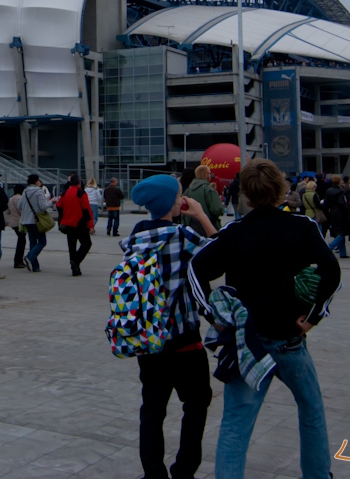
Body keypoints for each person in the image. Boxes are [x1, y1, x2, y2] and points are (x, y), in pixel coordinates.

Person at [190, 159, 341, 479]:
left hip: (248, 343)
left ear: (245, 194)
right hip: (290, 339)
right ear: (282, 190)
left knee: (235, 425)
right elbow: (332, 271)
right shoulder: (302, 227)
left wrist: (214, 316)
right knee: (311, 412)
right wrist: (315, 316)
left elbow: (196, 269)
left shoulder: (236, 232)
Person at [123, 174, 217, 479]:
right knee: (197, 402)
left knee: (152, 409)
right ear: (169, 202)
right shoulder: (183, 237)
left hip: (148, 340)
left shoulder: (135, 238)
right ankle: (184, 471)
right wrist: (201, 215)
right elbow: (220, 255)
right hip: (184, 340)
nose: (182, 200)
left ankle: (153, 473)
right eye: (178, 196)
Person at [58, 174, 94, 276]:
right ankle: (76, 262)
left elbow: (59, 206)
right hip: (80, 223)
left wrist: (63, 218)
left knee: (72, 246)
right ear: (79, 182)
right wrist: (90, 225)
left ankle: (75, 268)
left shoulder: (65, 193)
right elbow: (87, 210)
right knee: (86, 244)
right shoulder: (81, 193)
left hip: (68, 223)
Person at [19, 174, 54, 272]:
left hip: (26, 220)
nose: (40, 182)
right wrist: (51, 202)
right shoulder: (39, 191)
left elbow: (19, 206)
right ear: (36, 182)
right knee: (42, 241)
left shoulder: (25, 191)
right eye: (39, 180)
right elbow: (43, 206)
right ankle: (29, 257)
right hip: (36, 220)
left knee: (33, 242)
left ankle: (35, 266)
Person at [183, 165, 225, 232]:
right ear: (205, 175)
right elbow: (217, 209)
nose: (211, 175)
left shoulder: (187, 191)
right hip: (208, 226)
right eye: (210, 173)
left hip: (191, 227)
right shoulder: (208, 189)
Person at [322, 176, 350, 258]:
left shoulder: (329, 190)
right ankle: (330, 247)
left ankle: (343, 252)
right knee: (342, 232)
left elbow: (326, 203)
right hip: (340, 213)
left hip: (332, 212)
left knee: (338, 232)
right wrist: (347, 210)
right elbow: (341, 203)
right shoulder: (340, 191)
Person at [6, 184, 27, 268]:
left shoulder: (10, 199)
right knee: (22, 242)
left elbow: (8, 212)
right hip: (20, 223)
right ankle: (18, 261)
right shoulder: (21, 198)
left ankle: (18, 260)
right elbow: (23, 211)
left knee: (21, 240)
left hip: (13, 222)